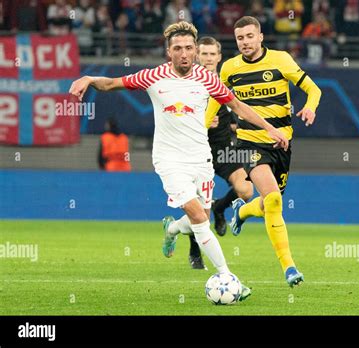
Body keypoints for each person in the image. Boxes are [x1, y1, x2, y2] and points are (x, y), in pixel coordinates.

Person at [69, 21, 289, 300]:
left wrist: (270, 129)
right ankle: (227, 276)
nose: (183, 53)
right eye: (177, 49)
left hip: (201, 159)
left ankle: (172, 228)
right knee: (199, 217)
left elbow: (238, 107)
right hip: (169, 160)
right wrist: (88, 79)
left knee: (201, 219)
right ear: (168, 52)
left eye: (188, 48)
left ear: (196, 51)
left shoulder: (207, 79)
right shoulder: (153, 76)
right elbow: (112, 84)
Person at [209, 16, 322, 287]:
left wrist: (310, 107)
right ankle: (289, 267)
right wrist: (203, 126)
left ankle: (243, 212)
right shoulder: (229, 69)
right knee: (272, 201)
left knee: (271, 203)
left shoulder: (281, 60)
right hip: (249, 144)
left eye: (250, 36)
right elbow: (216, 101)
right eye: (240, 38)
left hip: (282, 145)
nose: (245, 42)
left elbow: (313, 89)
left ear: (260, 37)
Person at [186, 36, 254, 270]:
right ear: (197, 56)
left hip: (224, 149)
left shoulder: (226, 84)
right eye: (203, 54)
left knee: (246, 189)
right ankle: (195, 251)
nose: (207, 58)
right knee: (196, 205)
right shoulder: (189, 83)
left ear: (219, 57)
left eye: (212, 54)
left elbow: (235, 118)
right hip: (196, 149)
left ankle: (220, 207)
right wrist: (202, 122)